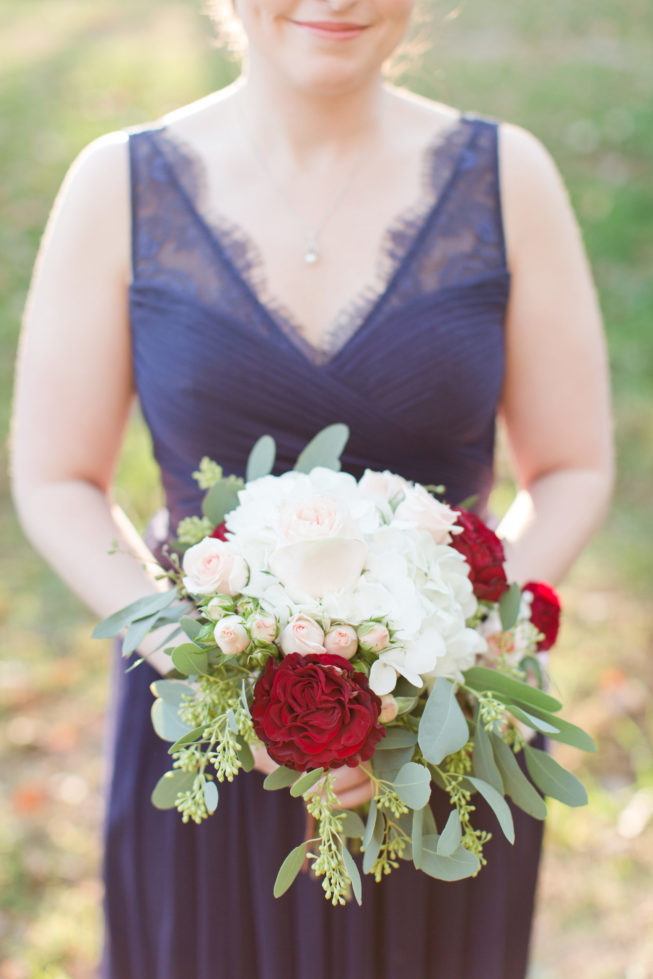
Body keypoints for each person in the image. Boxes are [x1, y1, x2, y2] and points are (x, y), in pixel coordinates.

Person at [10, 0, 613, 974]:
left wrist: (448, 668)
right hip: (204, 744)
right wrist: (207, 669)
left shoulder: (509, 181)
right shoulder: (117, 187)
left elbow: (574, 465)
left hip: (436, 766)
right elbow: (55, 475)